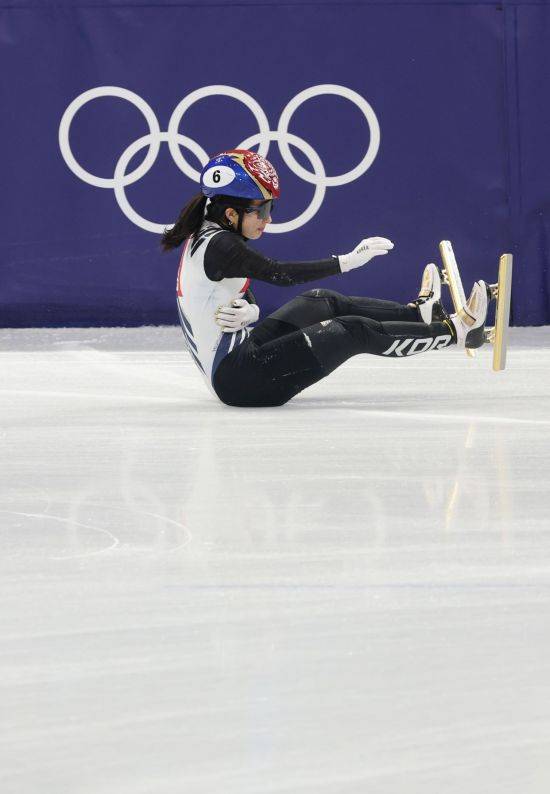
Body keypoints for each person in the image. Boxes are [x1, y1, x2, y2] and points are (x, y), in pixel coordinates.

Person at [161, 149, 489, 408]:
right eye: (261, 210)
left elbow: (224, 290)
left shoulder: (210, 229)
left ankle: (418, 315)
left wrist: (252, 309)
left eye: (270, 208)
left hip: (238, 361)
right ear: (231, 213)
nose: (268, 219)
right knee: (352, 331)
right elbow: (279, 273)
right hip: (242, 380)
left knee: (322, 301)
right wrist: (345, 262)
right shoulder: (221, 244)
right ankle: (458, 333)